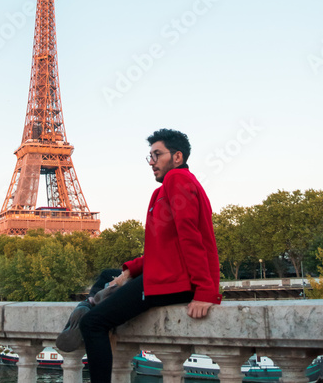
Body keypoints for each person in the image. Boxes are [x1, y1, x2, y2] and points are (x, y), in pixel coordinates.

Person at [56, 128, 222, 383]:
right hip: (166, 274)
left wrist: (205, 291)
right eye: (150, 156)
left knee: (93, 325)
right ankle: (89, 305)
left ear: (177, 157)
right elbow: (165, 248)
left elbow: (192, 238)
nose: (152, 162)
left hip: (174, 282)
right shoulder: (166, 189)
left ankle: (88, 312)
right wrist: (129, 271)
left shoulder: (177, 181)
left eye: (157, 155)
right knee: (107, 276)